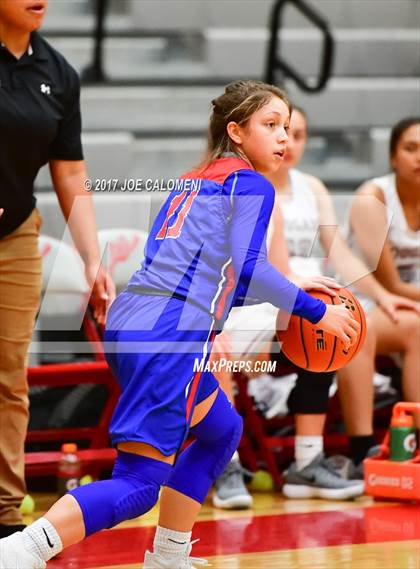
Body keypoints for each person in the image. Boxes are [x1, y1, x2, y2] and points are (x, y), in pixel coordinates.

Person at [0, 80, 360, 569]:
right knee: (139, 484)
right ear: (235, 131)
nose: (283, 136)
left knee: (220, 430)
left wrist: (297, 285)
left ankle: (168, 557)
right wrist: (316, 310)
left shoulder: (193, 180)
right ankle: (20, 551)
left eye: (288, 127)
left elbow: (217, 274)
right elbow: (249, 268)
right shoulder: (252, 184)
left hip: (137, 319)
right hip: (171, 331)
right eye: (271, 125)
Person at [215, 107, 418, 501]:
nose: (288, 142)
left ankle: (313, 462)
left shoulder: (312, 188)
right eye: (277, 130)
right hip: (261, 303)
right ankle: (227, 463)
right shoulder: (240, 187)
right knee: (242, 342)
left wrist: (382, 296)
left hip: (306, 296)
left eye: (297, 133)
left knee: (339, 323)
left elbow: (340, 255)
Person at [0, 0, 114, 539]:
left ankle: (2, 509)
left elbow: (70, 171)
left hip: (16, 235)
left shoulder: (57, 71)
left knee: (9, 377)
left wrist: (93, 257)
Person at [336, 117, 420, 462]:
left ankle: (413, 440)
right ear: (392, 157)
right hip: (357, 298)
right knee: (415, 327)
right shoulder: (373, 198)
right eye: (411, 148)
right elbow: (389, 283)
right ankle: (362, 448)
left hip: (403, 301)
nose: (419, 158)